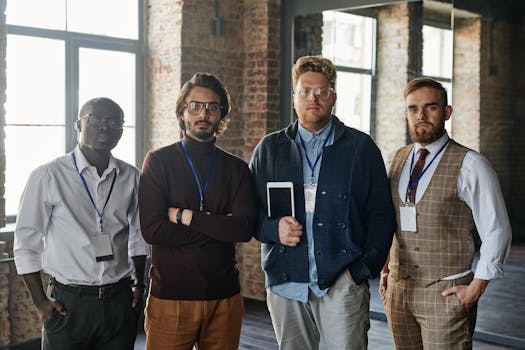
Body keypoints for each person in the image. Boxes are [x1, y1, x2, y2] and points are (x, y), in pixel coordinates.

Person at [249, 55, 396, 349]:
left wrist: (361, 270)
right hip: (286, 282)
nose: (312, 99)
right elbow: (248, 213)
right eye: (305, 91)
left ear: (333, 98)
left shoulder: (360, 148)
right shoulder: (270, 148)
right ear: (294, 97)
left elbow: (381, 216)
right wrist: (272, 229)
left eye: (321, 92)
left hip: (342, 282)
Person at [380, 77, 512, 349]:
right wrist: (384, 267)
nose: (421, 116)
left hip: (446, 293)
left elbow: (497, 230)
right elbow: (388, 219)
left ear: (447, 112)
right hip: (398, 292)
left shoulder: (471, 164)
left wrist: (475, 289)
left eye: (431, 107)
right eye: (413, 109)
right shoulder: (397, 158)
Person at [13, 97, 149, 350]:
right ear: (79, 124)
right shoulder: (48, 176)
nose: (105, 127)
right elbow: (26, 245)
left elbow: (139, 237)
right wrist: (41, 303)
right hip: (68, 305)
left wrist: (139, 285)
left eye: (114, 121)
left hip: (119, 301)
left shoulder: (132, 177)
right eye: (95, 118)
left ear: (121, 131)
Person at [139, 72, 257, 350]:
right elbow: (152, 230)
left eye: (212, 107)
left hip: (225, 299)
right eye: (195, 105)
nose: (203, 113)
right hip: (170, 298)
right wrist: (219, 227)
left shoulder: (236, 169)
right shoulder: (158, 162)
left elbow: (243, 229)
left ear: (221, 115)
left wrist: (184, 217)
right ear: (182, 111)